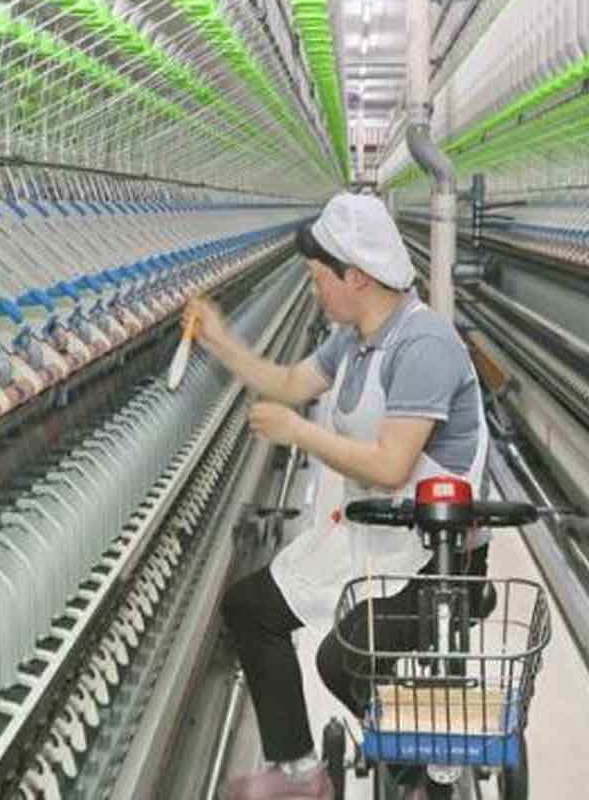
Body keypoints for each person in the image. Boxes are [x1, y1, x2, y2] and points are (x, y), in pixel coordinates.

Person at [190, 192, 492, 800]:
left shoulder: (423, 345)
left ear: (355, 276)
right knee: (250, 609)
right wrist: (218, 340)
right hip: (372, 534)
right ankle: (302, 776)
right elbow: (288, 381)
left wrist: (298, 431)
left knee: (341, 658)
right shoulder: (353, 340)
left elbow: (390, 466)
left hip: (435, 559)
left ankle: (413, 776)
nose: (314, 290)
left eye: (318, 277)